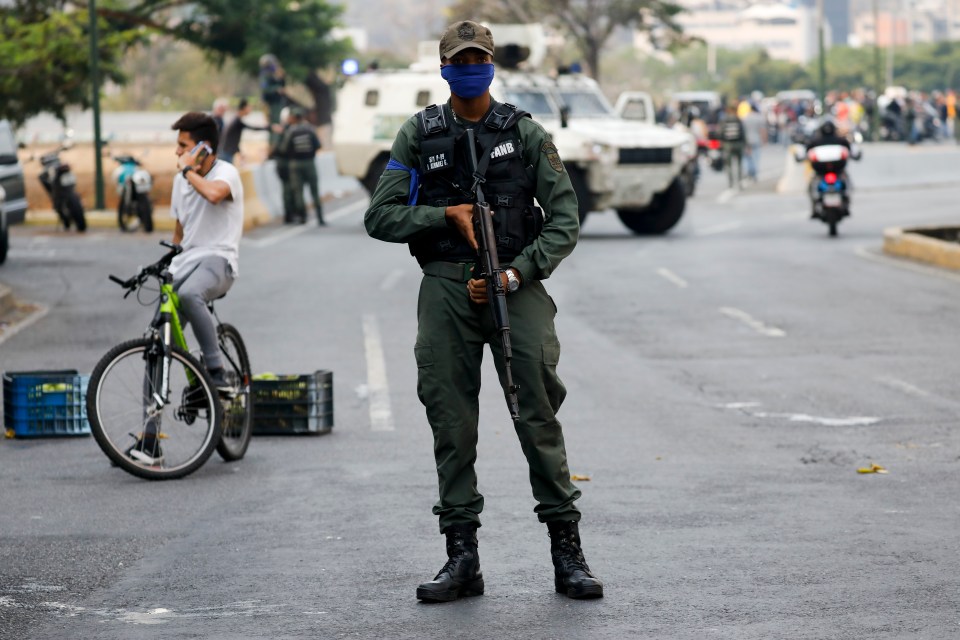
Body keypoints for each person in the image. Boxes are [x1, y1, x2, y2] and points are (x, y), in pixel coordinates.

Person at [364, 20, 603, 603]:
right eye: (460, 59)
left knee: (537, 413)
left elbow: (566, 218)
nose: (471, 67)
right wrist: (442, 217)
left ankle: (567, 554)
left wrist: (519, 270)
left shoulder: (524, 132)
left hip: (515, 285)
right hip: (445, 286)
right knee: (451, 421)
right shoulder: (418, 134)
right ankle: (461, 556)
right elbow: (380, 216)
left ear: (492, 63)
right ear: (444, 68)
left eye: (479, 57)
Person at [169, 114, 244, 393]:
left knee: (189, 294)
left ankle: (216, 373)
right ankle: (149, 431)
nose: (177, 152)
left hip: (218, 261)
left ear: (204, 148)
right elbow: (179, 232)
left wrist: (188, 172)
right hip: (184, 264)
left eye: (183, 145)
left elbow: (213, 194)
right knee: (158, 343)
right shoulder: (180, 182)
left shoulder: (226, 173)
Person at [276, 107, 324, 225]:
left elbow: (283, 149)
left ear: (293, 118)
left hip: (295, 165)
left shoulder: (291, 131)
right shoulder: (310, 129)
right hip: (309, 163)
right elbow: (318, 145)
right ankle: (320, 217)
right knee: (314, 190)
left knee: (298, 192)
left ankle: (303, 217)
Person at [219, 98, 271, 165]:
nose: (250, 110)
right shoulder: (237, 121)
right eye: (249, 107)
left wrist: (239, 152)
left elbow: (233, 139)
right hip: (226, 153)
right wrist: (269, 127)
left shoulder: (236, 120)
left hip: (226, 152)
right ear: (244, 108)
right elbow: (253, 128)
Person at [259, 54, 288, 148]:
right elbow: (265, 89)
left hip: (277, 102)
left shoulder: (275, 74)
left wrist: (282, 77)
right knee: (273, 125)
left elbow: (282, 85)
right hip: (270, 103)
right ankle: (273, 146)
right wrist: (276, 89)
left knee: (277, 123)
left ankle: (276, 145)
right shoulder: (265, 74)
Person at [720, 104, 745, 188]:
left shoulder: (724, 120)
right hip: (738, 144)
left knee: (729, 165)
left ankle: (731, 182)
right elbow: (743, 133)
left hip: (728, 144)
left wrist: (722, 143)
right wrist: (745, 144)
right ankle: (740, 182)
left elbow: (721, 133)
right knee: (739, 164)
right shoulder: (739, 120)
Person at [741, 104, 766, 182]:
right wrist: (764, 140)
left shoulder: (745, 117)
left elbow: (742, 131)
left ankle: (748, 170)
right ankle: (754, 173)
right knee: (756, 157)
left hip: (746, 140)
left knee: (747, 157)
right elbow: (762, 130)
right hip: (756, 139)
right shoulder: (759, 118)